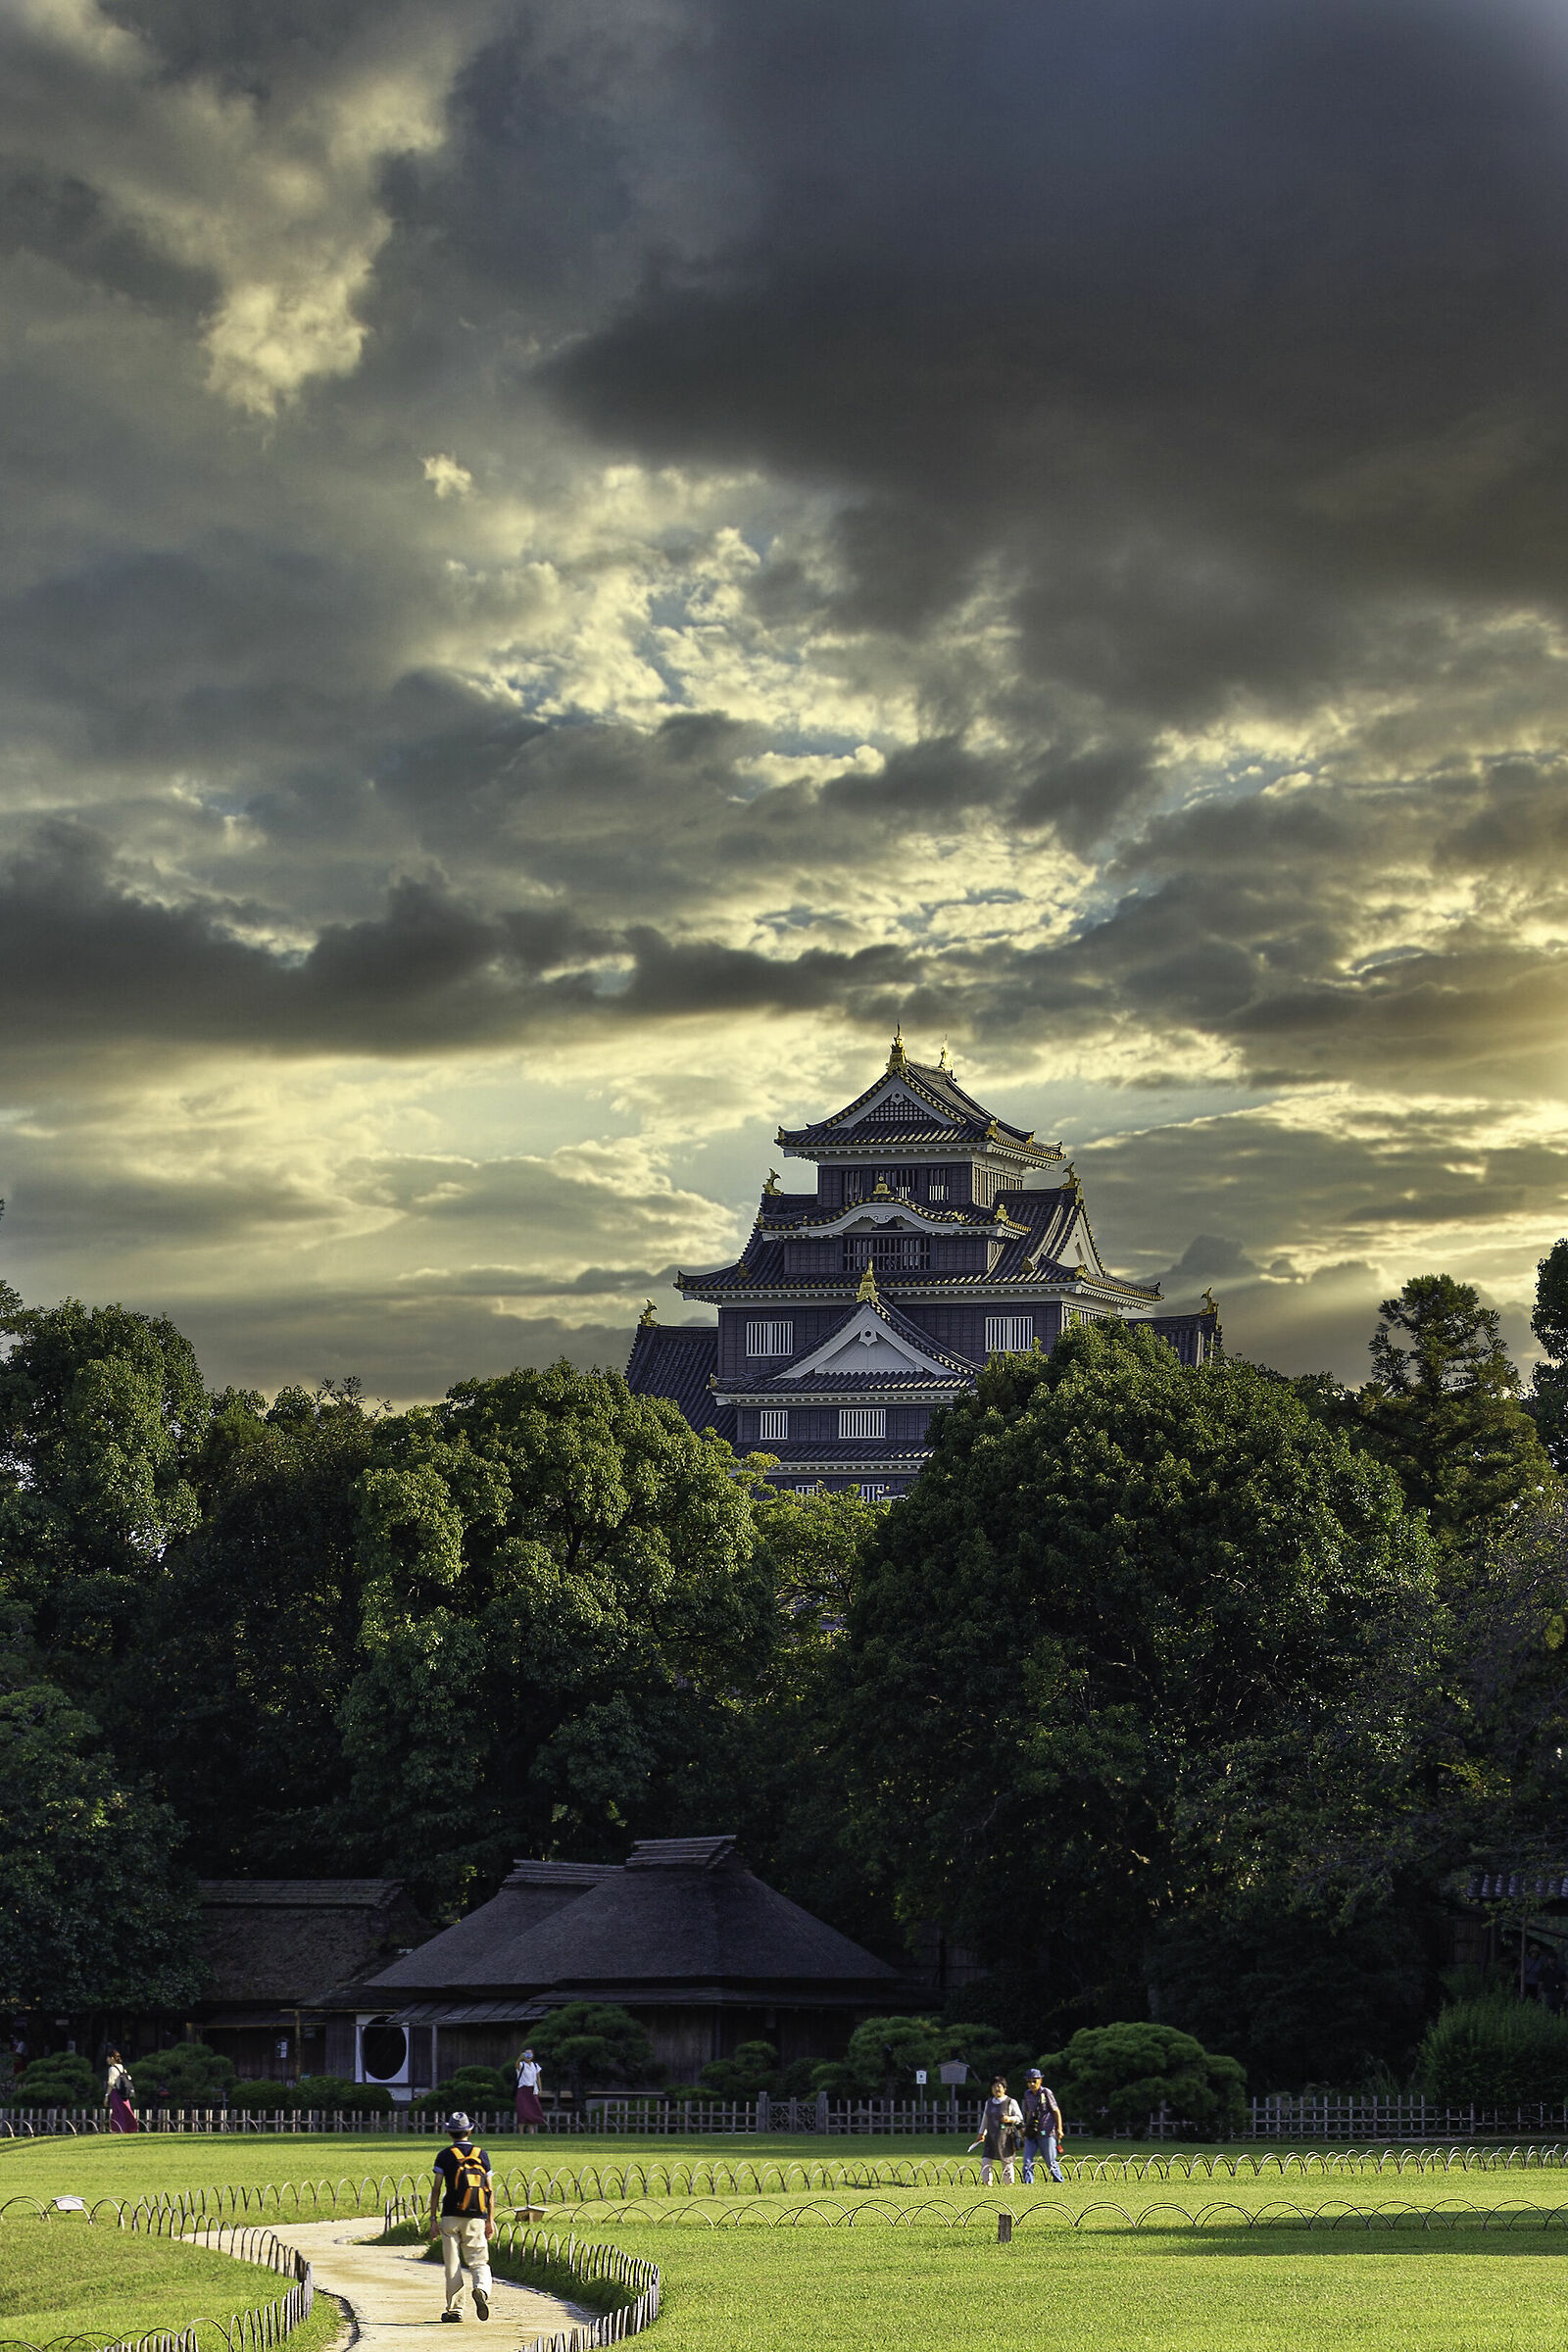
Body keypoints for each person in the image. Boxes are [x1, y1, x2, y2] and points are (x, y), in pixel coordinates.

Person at [427, 2112, 495, 2322]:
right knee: (479, 2260)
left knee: (452, 2264)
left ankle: (455, 2310)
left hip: (450, 2215)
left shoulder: (445, 2155)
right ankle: (481, 2289)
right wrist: (490, 2220)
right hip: (476, 2216)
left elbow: (436, 2189)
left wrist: (433, 2219)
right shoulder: (481, 2154)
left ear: (449, 2132)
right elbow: (490, 2191)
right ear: (470, 2131)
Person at [1020, 2069, 1064, 2185]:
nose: (1031, 2084)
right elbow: (1028, 2112)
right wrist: (1027, 2127)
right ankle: (1028, 2184)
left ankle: (1059, 2181)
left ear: (1040, 2080)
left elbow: (1056, 2111)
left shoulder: (1046, 2093)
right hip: (1032, 2132)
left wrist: (1059, 2129)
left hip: (1047, 2131)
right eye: (1029, 2081)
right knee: (1027, 2160)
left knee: (1050, 2161)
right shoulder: (1027, 2094)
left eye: (1034, 2081)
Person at [978, 2076, 1023, 2187]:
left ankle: (1009, 2183)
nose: (996, 2089)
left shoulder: (1010, 2102)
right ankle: (987, 2183)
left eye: (999, 2086)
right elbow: (985, 2119)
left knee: (1006, 2160)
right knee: (986, 2160)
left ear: (1004, 2088)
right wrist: (981, 2133)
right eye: (994, 2086)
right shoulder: (989, 2102)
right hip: (991, 2137)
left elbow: (1019, 2118)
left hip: (1005, 2136)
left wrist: (1010, 2119)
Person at [105, 2049, 139, 2135]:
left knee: (117, 2112)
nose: (107, 2060)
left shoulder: (112, 2069)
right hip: (124, 2093)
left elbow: (111, 2084)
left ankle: (118, 2129)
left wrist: (106, 2096)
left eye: (108, 2058)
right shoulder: (122, 2067)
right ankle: (130, 2128)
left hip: (116, 2093)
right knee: (126, 2111)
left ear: (112, 2058)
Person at [514, 2047, 544, 2134]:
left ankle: (531, 2132)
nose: (528, 2056)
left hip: (533, 2089)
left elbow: (538, 2078)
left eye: (530, 2054)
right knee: (522, 2110)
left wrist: (540, 2089)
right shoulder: (521, 2064)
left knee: (533, 2110)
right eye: (526, 2054)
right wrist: (520, 2058)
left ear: (533, 2055)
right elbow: (516, 2065)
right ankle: (521, 2132)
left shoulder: (535, 2066)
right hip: (523, 2089)